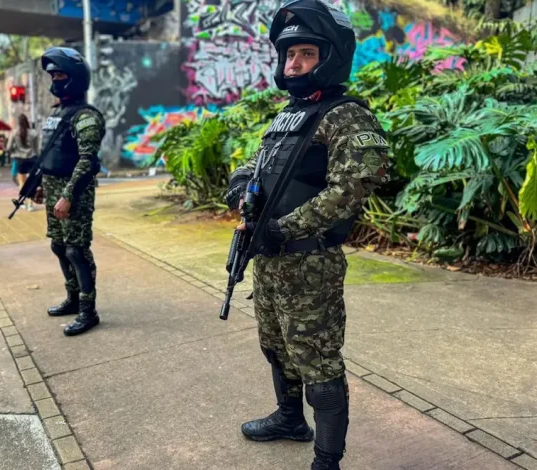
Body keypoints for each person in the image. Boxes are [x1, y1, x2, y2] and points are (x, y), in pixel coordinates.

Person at [225, 2, 390, 469]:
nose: (292, 64)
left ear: (330, 56)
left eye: (304, 54)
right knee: (275, 346)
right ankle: (289, 419)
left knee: (318, 362)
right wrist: (240, 190)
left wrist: (283, 228)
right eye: (288, 55)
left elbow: (353, 185)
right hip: (271, 259)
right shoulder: (288, 116)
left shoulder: (345, 116)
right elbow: (255, 166)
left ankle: (327, 459)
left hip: (309, 262)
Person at [34, 47, 106, 337]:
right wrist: (40, 185)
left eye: (60, 74)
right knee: (59, 246)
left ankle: (88, 310)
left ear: (75, 78)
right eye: (52, 75)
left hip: (74, 193)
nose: (54, 80)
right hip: (52, 189)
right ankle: (73, 298)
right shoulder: (58, 114)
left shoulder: (86, 117)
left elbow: (87, 161)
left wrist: (68, 195)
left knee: (77, 250)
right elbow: (50, 155)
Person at [7, 114, 41, 212]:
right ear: (27, 121)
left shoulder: (14, 133)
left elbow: (9, 147)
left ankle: (23, 202)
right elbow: (37, 149)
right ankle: (30, 205)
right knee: (31, 182)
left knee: (22, 182)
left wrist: (14, 153)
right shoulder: (34, 133)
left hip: (20, 159)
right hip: (32, 159)